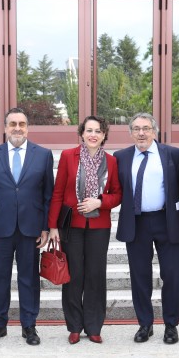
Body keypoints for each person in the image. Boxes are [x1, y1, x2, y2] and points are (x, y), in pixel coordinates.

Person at [0, 108, 54, 346]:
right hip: (0, 228)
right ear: (5, 128)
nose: (17, 128)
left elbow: (48, 195)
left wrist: (46, 227)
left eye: (22, 124)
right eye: (13, 124)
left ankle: (29, 326)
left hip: (31, 228)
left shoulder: (43, 155)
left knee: (29, 278)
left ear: (28, 128)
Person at [48, 116, 122, 344]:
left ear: (104, 135)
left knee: (95, 275)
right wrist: (52, 226)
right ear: (81, 134)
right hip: (72, 225)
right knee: (74, 275)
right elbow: (58, 192)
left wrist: (100, 202)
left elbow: (118, 194)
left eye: (98, 131)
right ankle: (74, 326)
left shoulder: (111, 161)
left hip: (99, 226)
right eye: (89, 130)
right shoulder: (68, 156)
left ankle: (93, 326)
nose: (93, 135)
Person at [115, 113, 179, 344]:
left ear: (154, 131)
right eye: (136, 129)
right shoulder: (121, 157)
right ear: (130, 133)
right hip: (136, 223)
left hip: (167, 221)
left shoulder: (173, 154)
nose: (141, 133)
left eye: (146, 128)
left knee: (172, 275)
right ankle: (145, 324)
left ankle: (171, 325)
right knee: (140, 277)